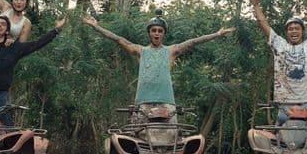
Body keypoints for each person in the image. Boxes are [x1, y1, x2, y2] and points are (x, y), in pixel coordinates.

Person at [82, 10, 235, 123]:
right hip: (142, 103)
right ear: (149, 33)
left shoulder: (171, 51)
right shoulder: (140, 51)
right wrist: (96, 27)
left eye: (160, 31)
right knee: (137, 139)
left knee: (171, 139)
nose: (156, 33)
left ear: (163, 34)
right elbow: (118, 39)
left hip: (167, 103)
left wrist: (217, 34)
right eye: (153, 30)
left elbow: (194, 42)